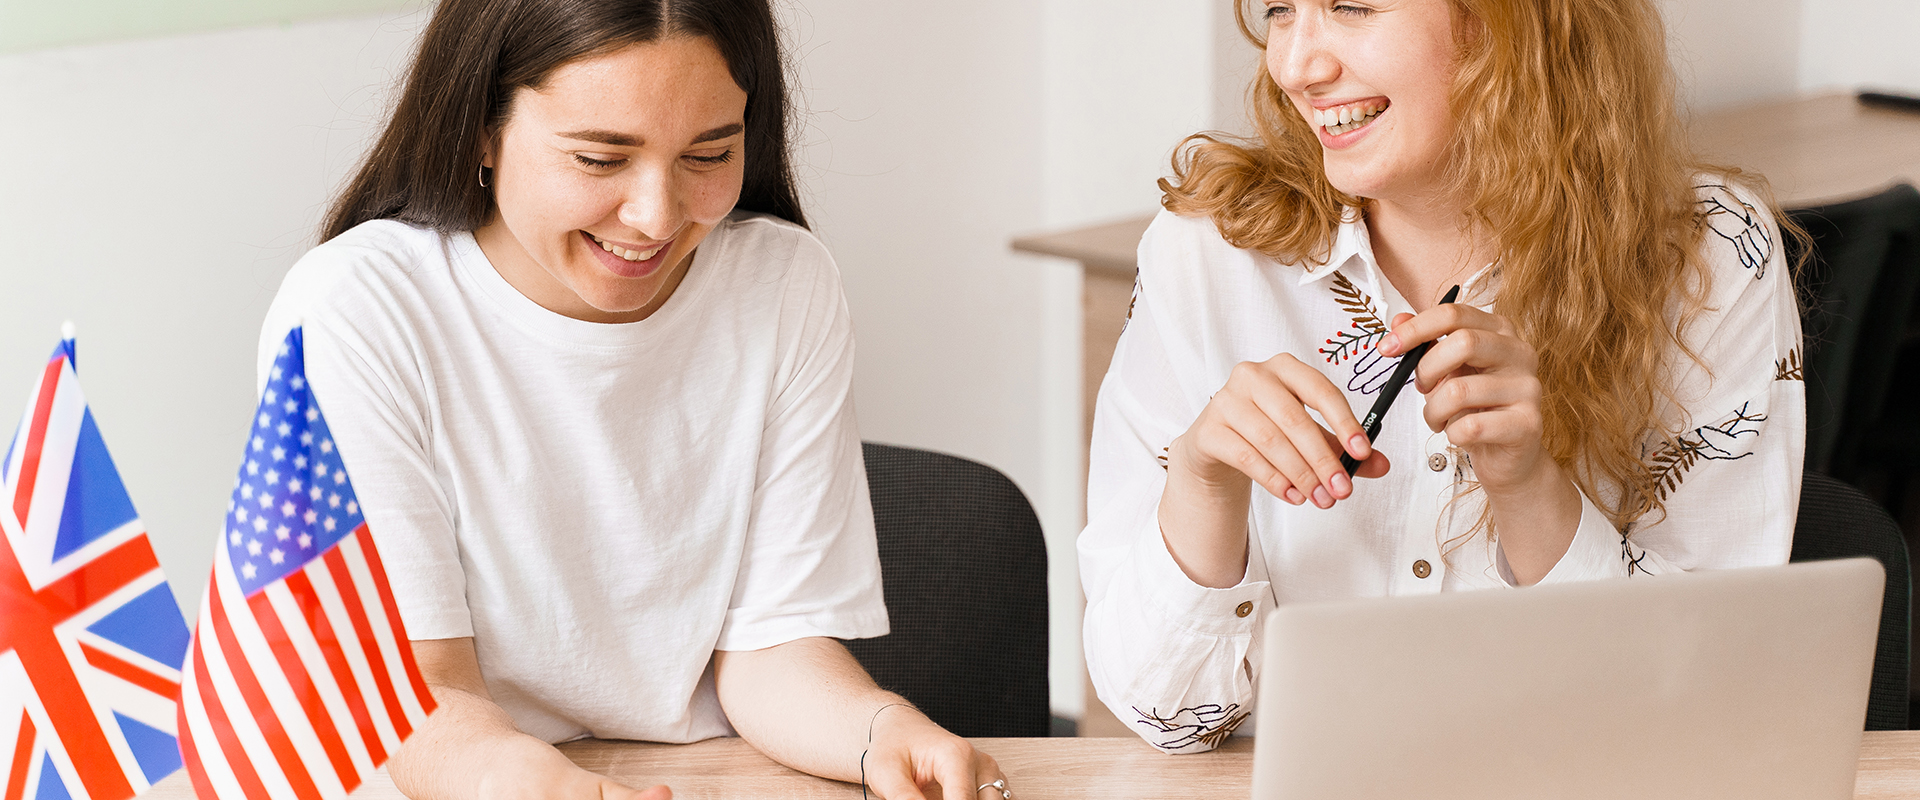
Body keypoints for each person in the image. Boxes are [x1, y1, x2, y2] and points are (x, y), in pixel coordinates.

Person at [255, 1, 1009, 798]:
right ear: (481, 129)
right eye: (598, 159)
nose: (656, 216)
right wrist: (547, 788)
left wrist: (880, 732)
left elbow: (771, 649)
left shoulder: (784, 284)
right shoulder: (356, 308)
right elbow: (415, 693)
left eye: (709, 153)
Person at [1079, 0, 1804, 753]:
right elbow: (1161, 714)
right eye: (1280, 11)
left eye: (1352, 6)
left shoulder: (1711, 255)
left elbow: (1702, 707)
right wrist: (1204, 486)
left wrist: (1530, 488)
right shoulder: (1207, 252)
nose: (1295, 67)